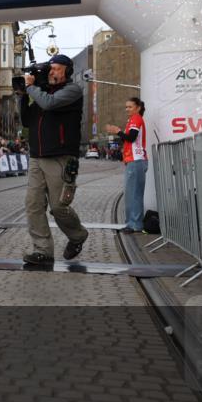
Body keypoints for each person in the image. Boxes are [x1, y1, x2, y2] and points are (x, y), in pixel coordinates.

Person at [19, 54, 90, 264]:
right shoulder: (42, 93)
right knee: (33, 205)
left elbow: (50, 104)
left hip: (60, 157)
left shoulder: (72, 90)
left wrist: (32, 89)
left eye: (57, 69)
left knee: (59, 207)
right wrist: (23, 95)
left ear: (67, 71)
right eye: (50, 69)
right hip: (37, 157)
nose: (52, 72)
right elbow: (26, 120)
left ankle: (78, 235)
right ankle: (43, 251)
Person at [106, 97, 148, 233]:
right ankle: (131, 223)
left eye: (130, 107)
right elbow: (129, 139)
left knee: (134, 194)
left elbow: (131, 137)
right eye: (126, 107)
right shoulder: (132, 120)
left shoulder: (136, 118)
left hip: (136, 161)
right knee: (131, 194)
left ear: (138, 108)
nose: (127, 109)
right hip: (133, 161)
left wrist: (117, 131)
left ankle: (135, 224)